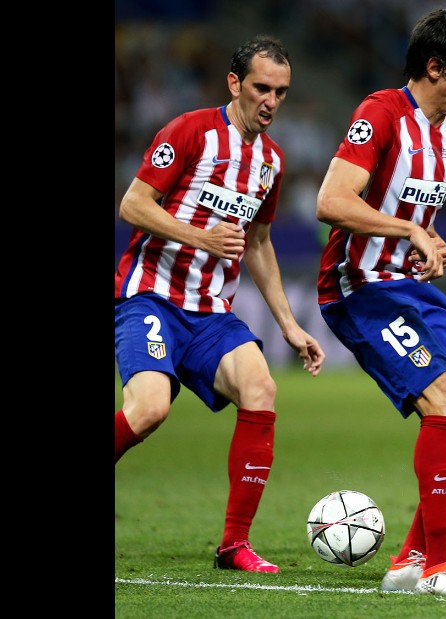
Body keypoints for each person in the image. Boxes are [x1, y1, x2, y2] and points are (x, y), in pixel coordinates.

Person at [114, 35, 326, 574]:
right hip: (151, 297)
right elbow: (133, 204)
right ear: (235, 83)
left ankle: (235, 545)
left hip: (211, 312)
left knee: (262, 388)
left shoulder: (271, 162)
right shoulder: (189, 131)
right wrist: (199, 237)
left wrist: (289, 324)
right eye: (261, 88)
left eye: (280, 92)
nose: (271, 102)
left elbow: (257, 243)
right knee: (149, 409)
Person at [314, 9, 446, 598]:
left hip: (412, 286)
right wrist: (407, 230)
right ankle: (440, 569)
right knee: (444, 400)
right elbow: (332, 200)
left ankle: (410, 560)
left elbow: (416, 221)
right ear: (434, 67)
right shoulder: (382, 112)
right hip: (360, 286)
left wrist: (428, 243)